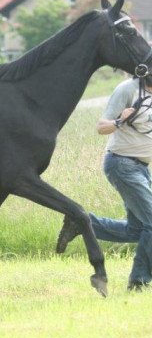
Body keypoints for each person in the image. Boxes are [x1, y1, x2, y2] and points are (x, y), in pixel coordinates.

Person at [57, 73, 152, 290]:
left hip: (142, 168)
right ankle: (139, 281)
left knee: (137, 231)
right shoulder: (127, 89)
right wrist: (121, 120)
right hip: (122, 165)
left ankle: (82, 222)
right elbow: (101, 127)